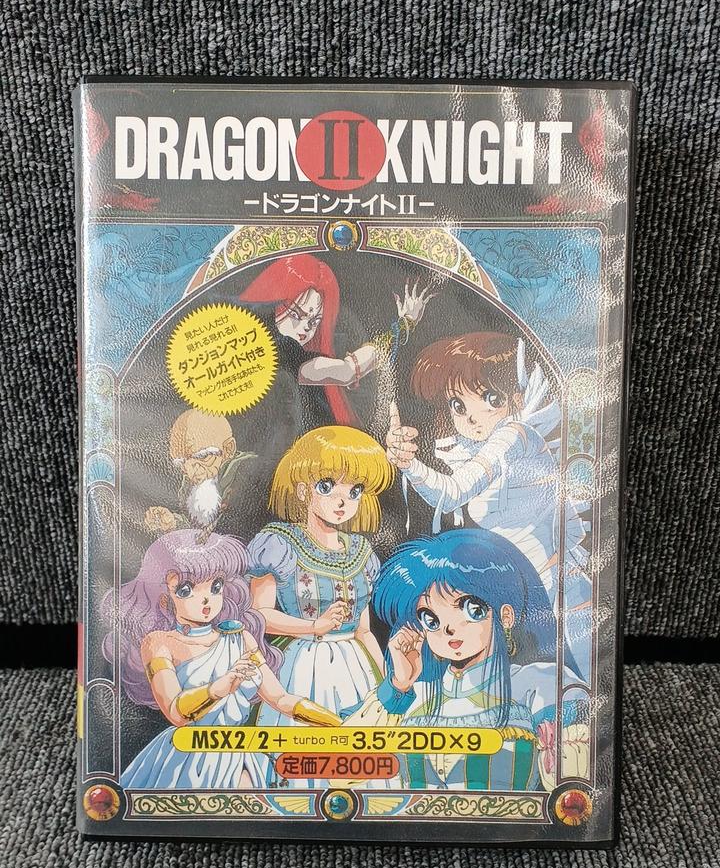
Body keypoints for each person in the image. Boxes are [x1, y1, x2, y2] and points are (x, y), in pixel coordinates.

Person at [385, 332, 591, 680]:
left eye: (490, 398)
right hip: (526, 590)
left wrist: (409, 464)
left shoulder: (514, 436)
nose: (471, 417)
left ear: (515, 397)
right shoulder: (478, 448)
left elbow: (452, 492)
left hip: (559, 593)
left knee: (575, 682)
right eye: (458, 405)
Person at [102, 530, 340, 792]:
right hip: (186, 755)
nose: (206, 598)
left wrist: (335, 724)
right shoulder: (159, 643)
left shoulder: (240, 639)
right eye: (186, 590)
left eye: (215, 586)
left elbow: (281, 699)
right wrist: (222, 685)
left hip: (238, 753)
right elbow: (176, 712)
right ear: (163, 595)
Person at [362, 528, 588, 792]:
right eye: (430, 619)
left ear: (505, 616)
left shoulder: (536, 683)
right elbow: (350, 767)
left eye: (471, 608)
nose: (449, 628)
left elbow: (572, 783)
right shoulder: (414, 698)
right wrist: (398, 685)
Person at [248, 426, 393, 755]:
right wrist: (314, 626)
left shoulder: (361, 552)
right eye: (327, 486)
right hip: (302, 665)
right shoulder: (280, 544)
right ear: (303, 490)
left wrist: (388, 681)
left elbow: (364, 631)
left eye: (354, 490)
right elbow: (259, 616)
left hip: (357, 668)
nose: (342, 500)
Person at [188, 252, 436, 426]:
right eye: (297, 314)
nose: (306, 327)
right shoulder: (283, 353)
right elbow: (348, 371)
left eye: (315, 320)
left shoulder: (266, 346)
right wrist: (405, 325)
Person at [144, 410, 255, 538]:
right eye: (182, 463)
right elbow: (196, 529)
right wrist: (172, 523)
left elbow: (232, 528)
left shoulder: (247, 473)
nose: (192, 472)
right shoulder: (190, 484)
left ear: (228, 449)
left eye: (202, 456)